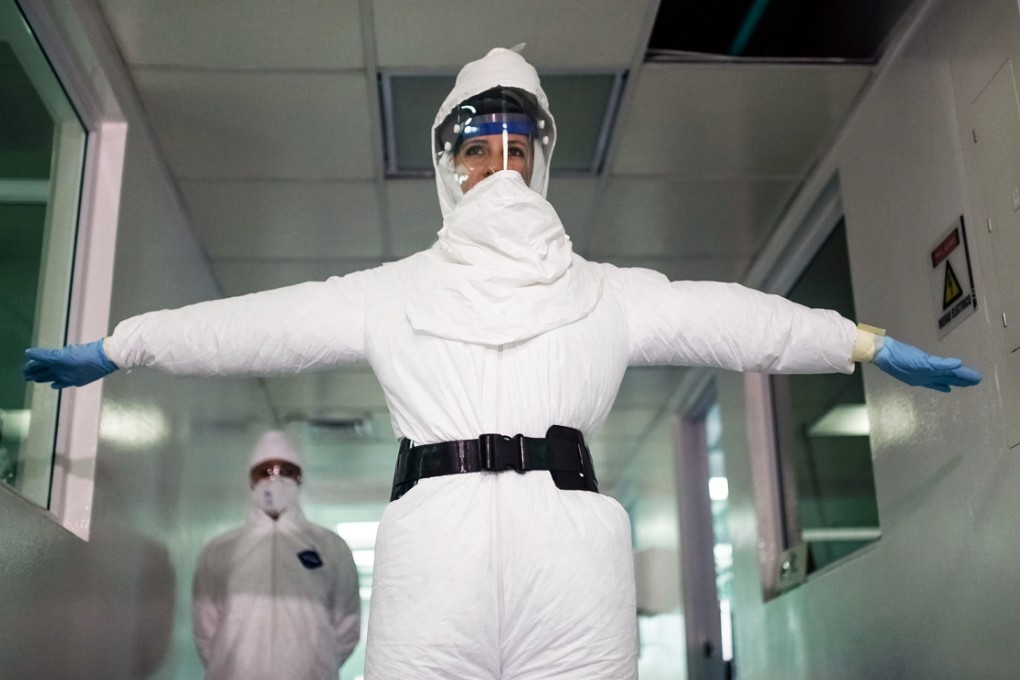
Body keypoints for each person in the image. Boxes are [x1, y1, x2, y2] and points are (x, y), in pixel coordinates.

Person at [23, 47, 980, 679]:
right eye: (481, 152)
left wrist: (856, 341)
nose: (500, 169)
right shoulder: (392, 291)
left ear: (542, 159)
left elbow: (736, 321)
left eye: (516, 148)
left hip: (567, 563)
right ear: (449, 168)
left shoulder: (608, 292)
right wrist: (125, 344)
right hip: (435, 560)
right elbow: (253, 327)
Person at [191, 430, 361, 680]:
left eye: (286, 471)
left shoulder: (330, 547)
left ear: (300, 478)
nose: (275, 480)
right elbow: (205, 629)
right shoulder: (220, 550)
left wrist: (317, 662)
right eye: (265, 471)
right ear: (251, 479)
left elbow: (346, 624)